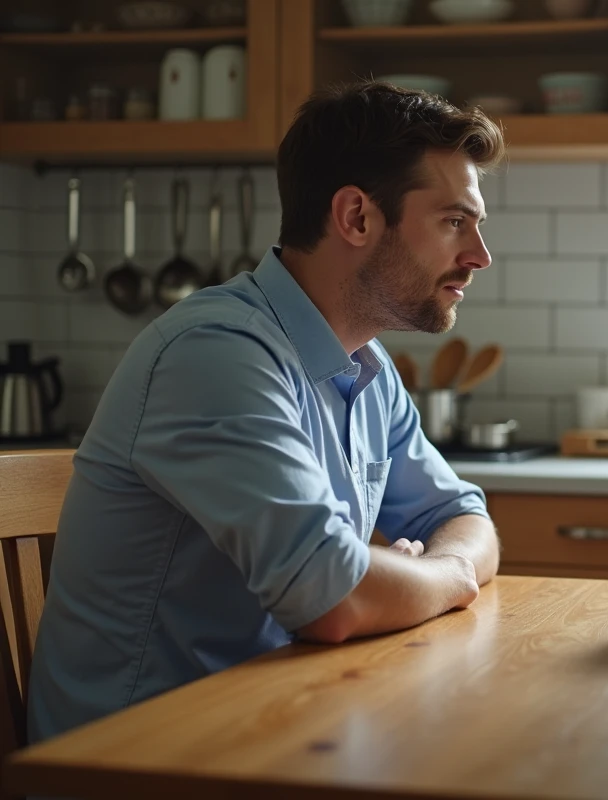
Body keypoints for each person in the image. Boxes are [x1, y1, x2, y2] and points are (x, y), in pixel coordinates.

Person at [28, 81, 504, 743]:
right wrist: (445, 575)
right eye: (455, 221)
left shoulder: (366, 366)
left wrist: (412, 577)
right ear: (357, 218)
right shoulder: (215, 355)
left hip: (278, 722)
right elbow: (332, 599)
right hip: (139, 758)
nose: (480, 254)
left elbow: (461, 517)